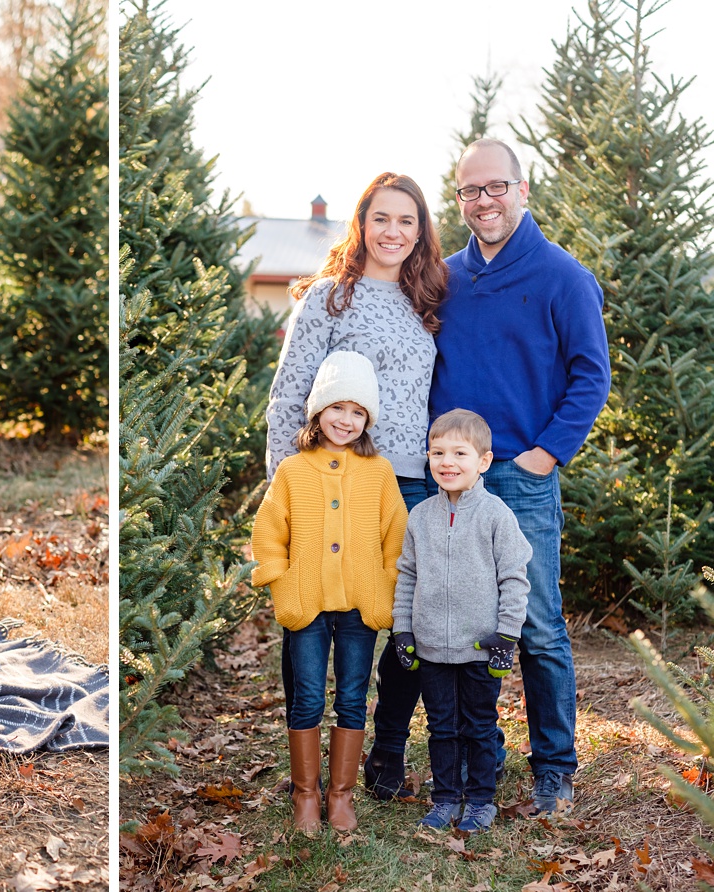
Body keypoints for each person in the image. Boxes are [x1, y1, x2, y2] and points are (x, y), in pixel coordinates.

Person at [418, 137, 610, 814]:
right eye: (470, 191)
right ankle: (477, 761)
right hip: (452, 482)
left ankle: (554, 766)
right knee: (459, 625)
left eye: (496, 187)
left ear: (523, 190)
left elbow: (592, 374)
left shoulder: (563, 277)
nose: (483, 201)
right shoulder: (444, 279)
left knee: (535, 627)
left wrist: (546, 453)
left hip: (523, 480)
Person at [264, 172, 448, 800]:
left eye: (407, 221)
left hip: (408, 483)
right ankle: (308, 777)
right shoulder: (328, 299)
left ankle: (387, 751)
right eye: (382, 219)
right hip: (329, 478)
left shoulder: (428, 299)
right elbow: (289, 396)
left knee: (404, 623)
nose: (393, 232)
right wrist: (283, 491)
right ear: (361, 224)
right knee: (312, 612)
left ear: (420, 231)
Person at [252, 351, 407, 834]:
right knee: (306, 697)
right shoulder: (294, 471)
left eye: (358, 412)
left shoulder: (378, 473)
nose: (346, 420)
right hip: (307, 604)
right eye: (337, 408)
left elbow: (395, 538)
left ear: (368, 419)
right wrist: (281, 581)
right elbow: (269, 530)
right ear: (318, 412)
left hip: (360, 606)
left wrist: (385, 587)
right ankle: (305, 796)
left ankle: (340, 796)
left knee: (353, 697)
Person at [391, 410, 531, 834]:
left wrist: (507, 635)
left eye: (459, 453)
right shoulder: (421, 517)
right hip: (432, 645)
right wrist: (403, 628)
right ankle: (446, 798)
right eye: (437, 453)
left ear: (483, 461)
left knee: (479, 725)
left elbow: (514, 577)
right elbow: (407, 575)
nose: (446, 462)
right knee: (442, 727)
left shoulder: (496, 515)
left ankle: (481, 800)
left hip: (480, 647)